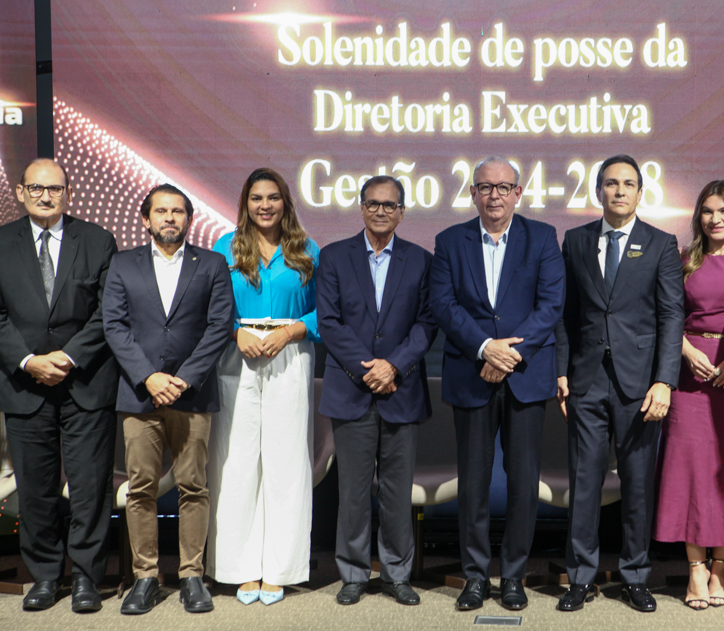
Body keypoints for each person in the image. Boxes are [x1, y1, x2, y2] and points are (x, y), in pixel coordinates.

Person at [429, 156, 564, 611]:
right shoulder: (450, 241)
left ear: (518, 193)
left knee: (523, 482)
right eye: (485, 187)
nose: (494, 195)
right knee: (474, 482)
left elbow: (551, 305)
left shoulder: (542, 237)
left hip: (525, 375)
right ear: (472, 193)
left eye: (504, 187)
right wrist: (485, 348)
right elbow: (443, 305)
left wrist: (508, 356)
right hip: (472, 372)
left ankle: (513, 576)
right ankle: (474, 577)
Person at [554, 154, 684, 613]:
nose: (620, 191)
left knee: (637, 486)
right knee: (584, 483)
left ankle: (635, 576)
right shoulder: (575, 240)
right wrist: (562, 370)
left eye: (628, 184)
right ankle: (580, 578)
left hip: (640, 384)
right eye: (611, 183)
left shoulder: (661, 243)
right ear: (598, 192)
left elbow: (671, 316)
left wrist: (665, 380)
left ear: (640, 193)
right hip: (586, 380)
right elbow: (566, 314)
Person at [103, 184, 234, 615]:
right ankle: (145, 577)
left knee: (194, 486)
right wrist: (149, 377)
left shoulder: (212, 263)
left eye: (178, 211)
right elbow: (114, 325)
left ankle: (192, 576)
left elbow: (219, 326)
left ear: (188, 218)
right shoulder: (123, 263)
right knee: (141, 488)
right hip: (140, 395)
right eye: (161, 211)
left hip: (191, 395)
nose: (170, 218)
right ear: (146, 219)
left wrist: (184, 379)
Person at [0, 159, 118, 612]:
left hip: (85, 379)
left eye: (55, 189)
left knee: (90, 486)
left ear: (69, 193)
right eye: (37, 188)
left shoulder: (98, 240)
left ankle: (87, 576)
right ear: (20, 191)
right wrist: (29, 361)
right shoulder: (2, 242)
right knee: (35, 488)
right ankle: (46, 576)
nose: (46, 196)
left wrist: (67, 357)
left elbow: (108, 312)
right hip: (24, 384)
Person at [317, 175, 436, 607]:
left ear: (402, 212)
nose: (381, 211)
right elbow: (329, 321)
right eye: (373, 203)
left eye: (389, 205)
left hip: (401, 389)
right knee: (351, 491)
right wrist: (367, 369)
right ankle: (353, 573)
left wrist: (393, 366)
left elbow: (427, 323)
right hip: (352, 388)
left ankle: (396, 574)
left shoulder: (421, 260)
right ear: (361, 208)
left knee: (396, 492)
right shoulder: (334, 256)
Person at [205, 168, 320, 605]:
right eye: (256, 198)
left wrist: (292, 331)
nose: (265, 205)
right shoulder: (224, 247)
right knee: (234, 462)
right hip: (236, 355)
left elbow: (327, 310)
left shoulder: (307, 250)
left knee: (286, 464)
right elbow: (209, 305)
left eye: (273, 197)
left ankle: (280, 569)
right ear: (245, 203)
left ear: (285, 202)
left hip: (290, 354)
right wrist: (236, 332)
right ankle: (239, 568)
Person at [652, 180, 724, 609]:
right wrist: (685, 350)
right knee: (691, 472)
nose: (716, 219)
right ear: (698, 216)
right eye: (707, 211)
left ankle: (722, 566)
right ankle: (696, 568)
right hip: (690, 377)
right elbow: (664, 315)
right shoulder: (684, 260)